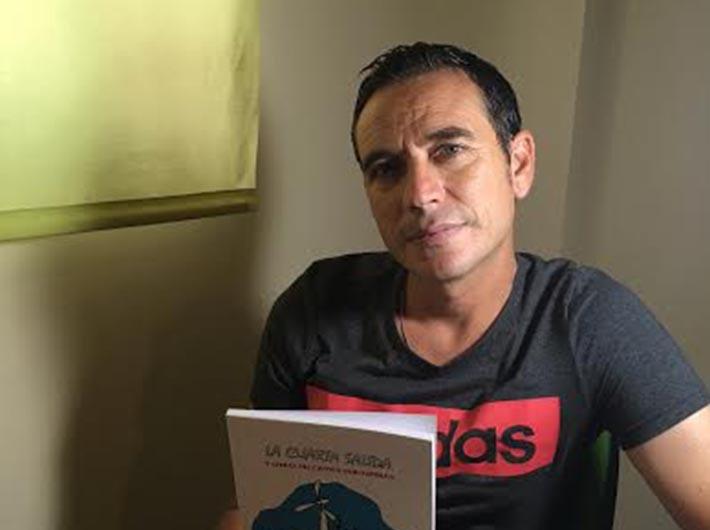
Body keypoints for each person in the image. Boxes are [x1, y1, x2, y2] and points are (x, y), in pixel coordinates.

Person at [222, 43, 710, 530]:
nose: (420, 194)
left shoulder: (587, 320)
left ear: (518, 164)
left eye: (449, 150)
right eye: (387, 169)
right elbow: (256, 506)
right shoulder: (313, 309)